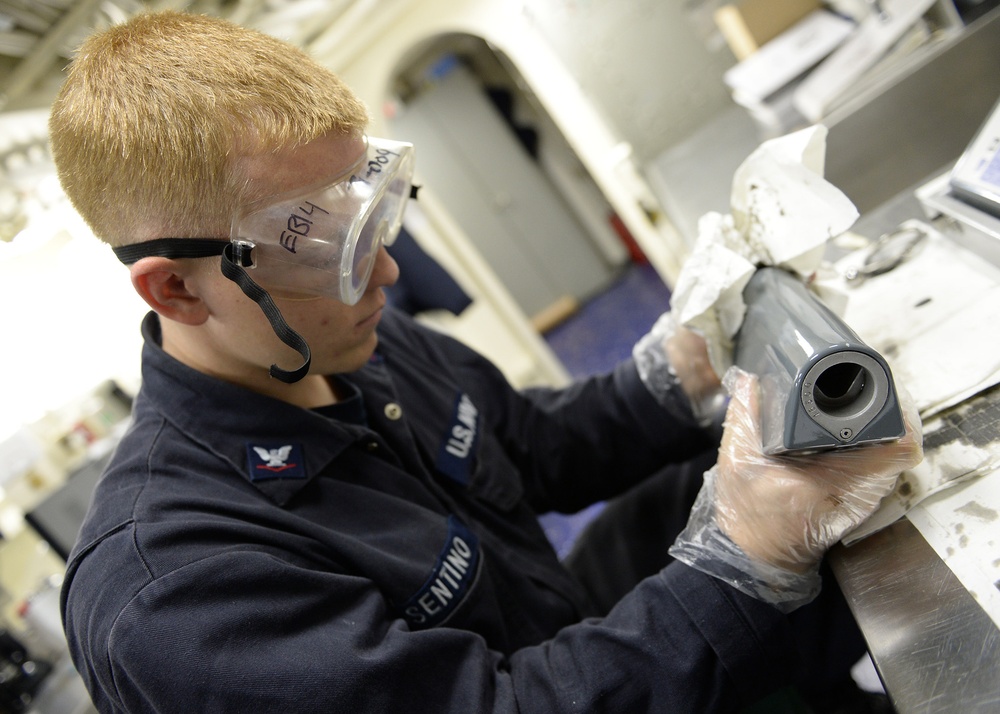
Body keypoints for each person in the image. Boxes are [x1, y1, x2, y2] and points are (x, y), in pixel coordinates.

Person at [48, 11, 922, 713]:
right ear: (177, 292)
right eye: (324, 251)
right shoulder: (174, 593)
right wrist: (743, 558)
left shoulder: (360, 344)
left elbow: (536, 447)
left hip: (562, 627)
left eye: (370, 214)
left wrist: (677, 373)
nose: (385, 272)